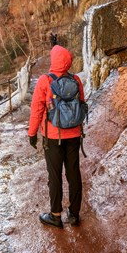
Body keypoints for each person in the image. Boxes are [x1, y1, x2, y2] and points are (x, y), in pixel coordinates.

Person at [28, 45, 84, 228]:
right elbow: (81, 105)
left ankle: (55, 215)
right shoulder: (76, 80)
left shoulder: (45, 81)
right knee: (73, 173)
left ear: (53, 61)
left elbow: (36, 110)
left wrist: (32, 133)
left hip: (53, 137)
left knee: (55, 175)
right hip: (74, 135)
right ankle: (74, 214)